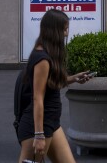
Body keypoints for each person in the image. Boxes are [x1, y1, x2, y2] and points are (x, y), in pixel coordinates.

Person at [17, 9, 91, 163]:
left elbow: (50, 85)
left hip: (51, 122)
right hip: (37, 127)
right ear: (54, 31)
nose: (66, 34)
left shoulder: (48, 55)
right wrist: (38, 135)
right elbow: (38, 98)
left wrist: (73, 79)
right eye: (64, 29)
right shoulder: (42, 59)